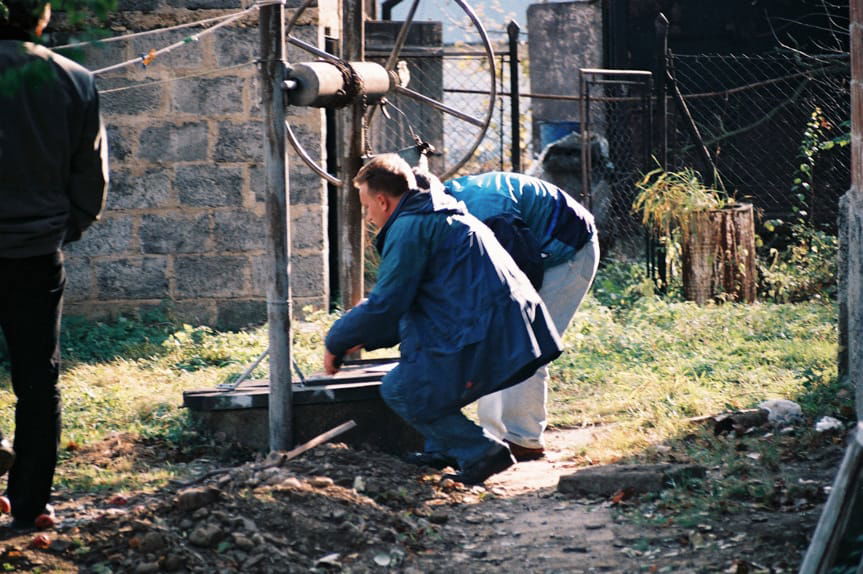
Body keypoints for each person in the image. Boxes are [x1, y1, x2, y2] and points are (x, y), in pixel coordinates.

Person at [324, 154, 561, 485]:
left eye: (367, 206)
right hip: (496, 321)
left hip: (488, 327)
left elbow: (387, 304)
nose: (368, 216)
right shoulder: (433, 214)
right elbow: (407, 304)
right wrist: (367, 335)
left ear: (382, 200)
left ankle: (483, 452)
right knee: (418, 358)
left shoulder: (410, 227)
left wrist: (335, 341)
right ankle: (444, 449)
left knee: (403, 388)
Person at [0, 0, 108, 529]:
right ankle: (31, 504)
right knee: (38, 382)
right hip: (36, 253)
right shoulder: (75, 79)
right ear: (41, 20)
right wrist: (67, 227)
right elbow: (90, 174)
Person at [437, 171, 599, 461]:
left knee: (525, 346)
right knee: (495, 340)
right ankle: (494, 435)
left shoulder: (485, 211)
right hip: (534, 249)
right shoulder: (449, 206)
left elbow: (524, 271)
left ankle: (523, 441)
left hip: (568, 252)